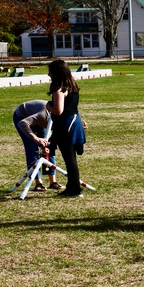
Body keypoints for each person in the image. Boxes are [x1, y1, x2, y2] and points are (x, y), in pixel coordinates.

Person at [47, 60, 86, 198]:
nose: (48, 74)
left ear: (57, 73)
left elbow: (58, 110)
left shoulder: (59, 88)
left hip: (66, 125)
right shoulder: (72, 85)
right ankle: (72, 186)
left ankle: (74, 190)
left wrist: (48, 106)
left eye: (50, 71)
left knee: (69, 159)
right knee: (71, 158)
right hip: (75, 122)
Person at [13, 99, 59, 191]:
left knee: (49, 148)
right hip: (23, 117)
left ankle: (53, 182)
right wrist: (35, 138)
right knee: (32, 148)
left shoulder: (61, 119)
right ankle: (38, 183)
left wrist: (48, 144)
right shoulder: (43, 115)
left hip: (40, 119)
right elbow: (22, 123)